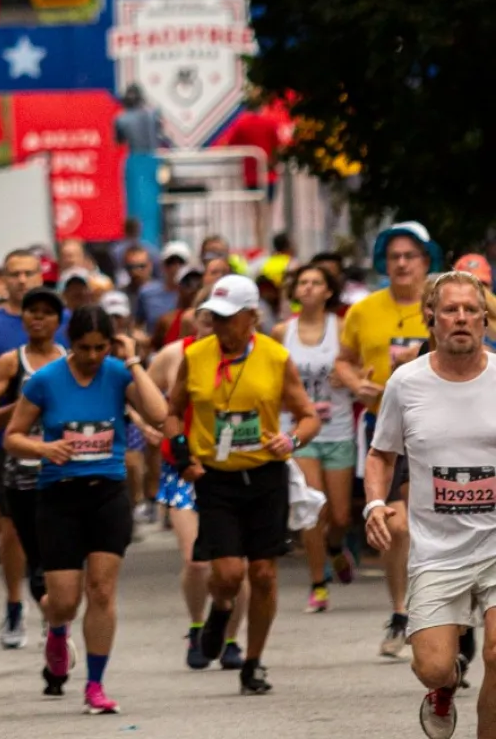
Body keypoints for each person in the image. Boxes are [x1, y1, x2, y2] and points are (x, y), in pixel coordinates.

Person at [6, 305, 167, 713]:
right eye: (84, 348)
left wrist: (133, 361)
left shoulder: (118, 374)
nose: (93, 356)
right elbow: (13, 437)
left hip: (107, 494)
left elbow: (159, 414)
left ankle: (95, 686)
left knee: (102, 590)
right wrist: (44, 448)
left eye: (100, 347)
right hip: (59, 496)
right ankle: (56, 629)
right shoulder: (45, 380)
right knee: (64, 601)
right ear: (71, 343)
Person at [167, 274, 319, 695]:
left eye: (228, 318)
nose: (219, 326)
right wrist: (181, 454)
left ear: (252, 316)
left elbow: (308, 416)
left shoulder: (275, 357)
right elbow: (172, 411)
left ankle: (253, 662)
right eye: (214, 317)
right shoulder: (195, 356)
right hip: (216, 478)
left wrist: (291, 440)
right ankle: (220, 608)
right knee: (229, 573)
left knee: (264, 574)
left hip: (266, 475)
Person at [363, 271, 496, 739]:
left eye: (470, 310)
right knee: (434, 666)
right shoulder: (406, 383)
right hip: (437, 551)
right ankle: (444, 686)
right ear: (431, 319)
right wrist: (374, 503)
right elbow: (381, 454)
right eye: (450, 310)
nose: (461, 318)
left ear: (484, 319)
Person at [336, 221, 440, 656]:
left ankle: (435, 612)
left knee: (427, 524)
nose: (401, 264)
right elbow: (342, 362)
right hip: (385, 426)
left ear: (426, 260)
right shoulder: (364, 311)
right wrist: (354, 384)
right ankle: (401, 611)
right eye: (393, 256)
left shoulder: (446, 302)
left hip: (439, 429)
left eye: (409, 256)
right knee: (397, 526)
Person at [0, 251, 69, 649]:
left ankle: (53, 609)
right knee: (13, 532)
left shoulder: (68, 341)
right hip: (11, 451)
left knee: (56, 533)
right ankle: (13, 605)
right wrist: (21, 405)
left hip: (60, 452)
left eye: (29, 273)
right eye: (14, 273)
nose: (22, 280)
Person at [271, 264, 357, 613]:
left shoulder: (343, 328)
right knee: (313, 509)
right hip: (299, 430)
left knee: (340, 516)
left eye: (315, 282)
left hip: (337, 428)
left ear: (328, 291)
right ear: (295, 291)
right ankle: (318, 584)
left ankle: (335, 548)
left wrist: (347, 376)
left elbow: (359, 365)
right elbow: (269, 374)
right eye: (303, 282)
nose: (308, 287)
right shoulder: (282, 332)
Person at [113, 84, 167, 247]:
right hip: (152, 160)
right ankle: (150, 241)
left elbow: (119, 140)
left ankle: (142, 242)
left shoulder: (122, 118)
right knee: (151, 206)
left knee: (138, 206)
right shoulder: (152, 114)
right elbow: (160, 132)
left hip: (137, 161)